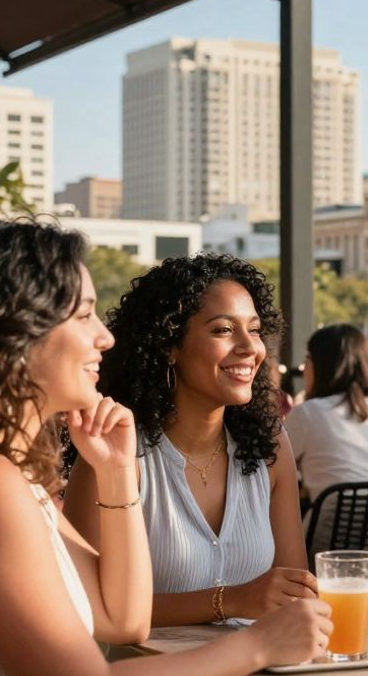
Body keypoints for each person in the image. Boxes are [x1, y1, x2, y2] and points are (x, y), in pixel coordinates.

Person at [0, 221, 330, 676]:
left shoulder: (10, 480)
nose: (105, 338)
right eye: (85, 315)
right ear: (14, 333)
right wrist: (258, 645)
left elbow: (124, 620)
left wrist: (118, 475)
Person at [64, 254, 316, 626]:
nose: (250, 347)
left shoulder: (270, 445)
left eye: (255, 329)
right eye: (223, 330)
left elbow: (293, 592)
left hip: (259, 660)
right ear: (169, 345)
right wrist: (230, 601)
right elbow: (86, 606)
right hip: (151, 664)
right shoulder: (113, 457)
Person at [286, 323, 368, 503]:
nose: (304, 368)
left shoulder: (308, 413)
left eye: (308, 358)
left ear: (323, 365)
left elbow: (271, 466)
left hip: (329, 519)